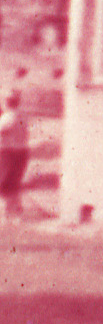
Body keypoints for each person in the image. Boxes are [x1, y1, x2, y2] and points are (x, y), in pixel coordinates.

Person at [0, 75, 28, 221]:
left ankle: (7, 214)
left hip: (9, 153)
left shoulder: (8, 117)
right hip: (21, 152)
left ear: (7, 102)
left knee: (4, 183)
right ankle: (16, 213)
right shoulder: (22, 115)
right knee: (14, 183)